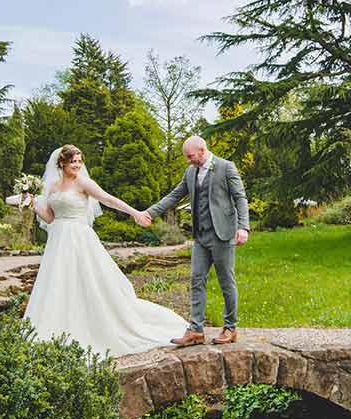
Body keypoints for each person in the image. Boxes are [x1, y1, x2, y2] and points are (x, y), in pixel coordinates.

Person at [23, 144, 187, 356]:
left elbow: (108, 199)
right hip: (58, 241)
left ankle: (93, 326)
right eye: (74, 161)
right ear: (62, 163)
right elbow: (51, 218)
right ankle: (57, 327)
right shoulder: (53, 187)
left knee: (89, 282)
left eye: (80, 161)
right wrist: (33, 203)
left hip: (80, 239)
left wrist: (135, 212)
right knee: (59, 283)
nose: (78, 165)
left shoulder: (83, 183)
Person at [138, 135, 250, 346]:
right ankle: (196, 331)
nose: (188, 160)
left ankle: (230, 328)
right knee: (196, 280)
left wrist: (243, 226)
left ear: (202, 150)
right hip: (200, 236)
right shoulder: (190, 172)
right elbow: (174, 196)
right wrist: (150, 213)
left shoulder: (226, 168)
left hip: (223, 234)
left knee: (227, 282)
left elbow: (240, 198)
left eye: (190, 156)